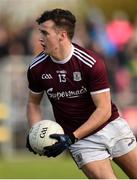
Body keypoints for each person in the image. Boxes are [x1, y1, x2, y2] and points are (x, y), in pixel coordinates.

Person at [26, 8, 137, 179]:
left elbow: (104, 110)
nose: (40, 38)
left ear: (62, 35)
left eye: (45, 33)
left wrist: (71, 138)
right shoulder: (37, 68)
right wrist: (35, 131)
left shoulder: (90, 63)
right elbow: (33, 102)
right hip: (82, 142)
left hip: (110, 128)